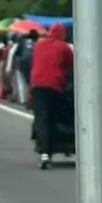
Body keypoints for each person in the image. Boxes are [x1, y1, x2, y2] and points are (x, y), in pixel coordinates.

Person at [29, 22, 74, 169]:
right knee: (53, 118)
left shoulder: (39, 45)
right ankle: (52, 147)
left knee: (41, 118)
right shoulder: (64, 47)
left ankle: (44, 152)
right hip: (54, 86)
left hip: (37, 84)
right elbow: (71, 66)